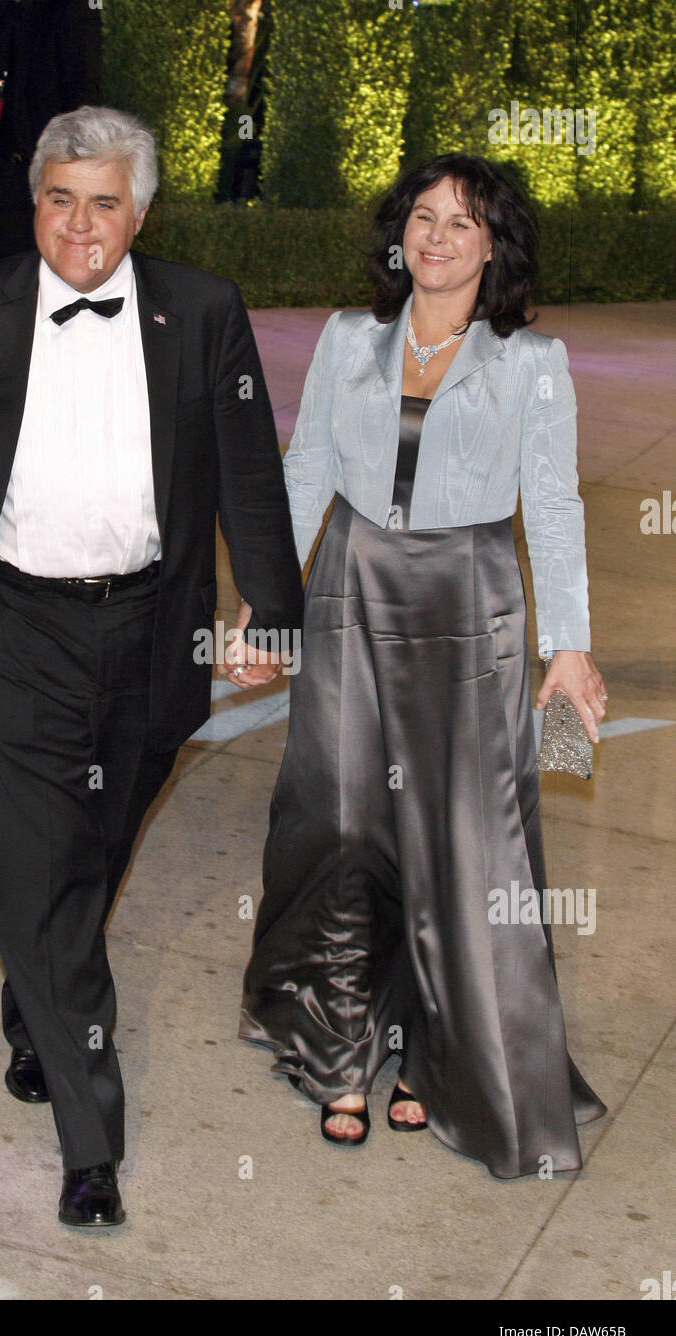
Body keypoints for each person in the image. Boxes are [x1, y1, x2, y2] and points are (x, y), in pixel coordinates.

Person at [0, 105, 303, 1226]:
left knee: (89, 857)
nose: (79, 225)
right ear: (34, 202)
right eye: (59, 198)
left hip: (154, 630)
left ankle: (36, 1003)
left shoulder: (200, 309)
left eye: (104, 201)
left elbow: (247, 460)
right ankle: (89, 1141)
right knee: (39, 875)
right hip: (15, 633)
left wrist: (270, 601)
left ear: (140, 211)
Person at [239, 153, 608, 1180]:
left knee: (455, 837)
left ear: (496, 246)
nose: (437, 236)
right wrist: (269, 604)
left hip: (466, 601)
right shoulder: (349, 338)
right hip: (352, 588)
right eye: (422, 217)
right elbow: (306, 462)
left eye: (463, 221)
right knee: (344, 816)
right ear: (397, 233)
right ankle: (337, 1039)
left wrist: (565, 641)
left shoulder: (531, 361)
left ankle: (440, 1057)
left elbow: (557, 501)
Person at [0, 0, 101, 260]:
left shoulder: (73, 11)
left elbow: (82, 98)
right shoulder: (0, 16)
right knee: (10, 277)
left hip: (49, 176)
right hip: (6, 176)